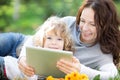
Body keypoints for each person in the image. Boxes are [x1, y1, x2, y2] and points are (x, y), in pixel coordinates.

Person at [18, 0, 120, 80]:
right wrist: (23, 58)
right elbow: (34, 38)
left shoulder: (102, 53)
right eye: (82, 21)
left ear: (106, 26)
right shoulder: (68, 22)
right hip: (21, 42)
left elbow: (112, 76)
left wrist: (80, 70)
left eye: (92, 24)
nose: (84, 28)